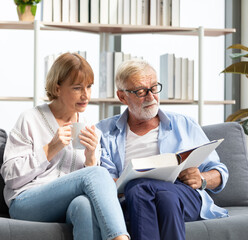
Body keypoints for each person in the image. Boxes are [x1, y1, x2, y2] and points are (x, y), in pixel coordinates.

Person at [0, 52, 130, 240]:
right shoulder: (30, 119)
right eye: (77, 88)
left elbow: (90, 183)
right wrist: (50, 148)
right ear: (57, 88)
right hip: (25, 203)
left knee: (84, 205)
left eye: (89, 87)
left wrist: (91, 157)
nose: (86, 95)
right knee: (99, 174)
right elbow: (11, 177)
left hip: (66, 204)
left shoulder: (88, 125)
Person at [96, 59, 228, 240]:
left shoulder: (184, 124)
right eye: (141, 91)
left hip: (184, 195)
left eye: (154, 88)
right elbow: (104, 180)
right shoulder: (104, 132)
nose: (150, 97)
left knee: (141, 187)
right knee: (162, 197)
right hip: (133, 201)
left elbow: (220, 171)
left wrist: (202, 178)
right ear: (122, 96)